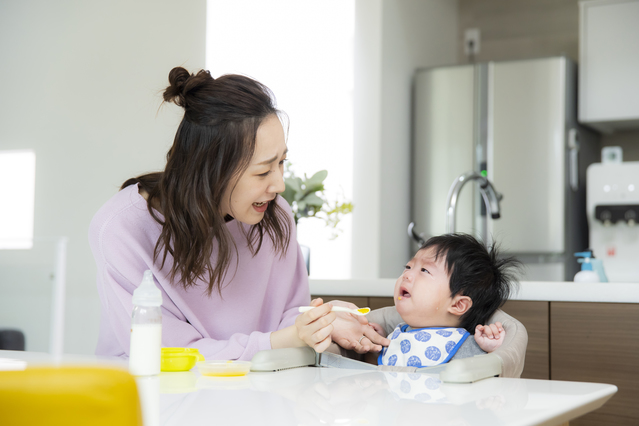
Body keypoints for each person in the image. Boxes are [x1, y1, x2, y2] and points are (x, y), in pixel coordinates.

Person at [89, 67, 386, 360]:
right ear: (210, 170)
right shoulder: (122, 229)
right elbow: (166, 354)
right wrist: (281, 340)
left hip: (254, 392)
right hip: (155, 396)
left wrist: (317, 321)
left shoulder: (274, 215)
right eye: (262, 172)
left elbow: (287, 317)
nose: (279, 184)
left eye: (281, 162)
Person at [369, 233, 521, 368]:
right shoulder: (398, 333)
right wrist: (383, 341)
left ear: (457, 304)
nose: (406, 274)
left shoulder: (464, 345)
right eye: (408, 266)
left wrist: (492, 352)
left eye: (424, 270)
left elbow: (481, 378)